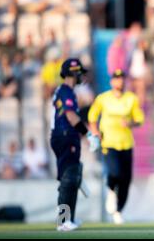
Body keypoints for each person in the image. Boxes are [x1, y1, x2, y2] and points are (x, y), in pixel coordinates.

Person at [88, 69, 144, 224]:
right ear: (112, 81)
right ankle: (111, 190)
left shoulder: (131, 98)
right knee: (115, 172)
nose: (119, 81)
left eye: (121, 79)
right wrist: (95, 132)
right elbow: (92, 116)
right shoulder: (103, 98)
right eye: (116, 79)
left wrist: (130, 122)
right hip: (109, 142)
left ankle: (118, 210)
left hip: (126, 143)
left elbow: (139, 119)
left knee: (126, 180)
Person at [50, 58, 100, 231]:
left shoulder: (68, 91)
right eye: (80, 73)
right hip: (64, 136)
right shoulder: (66, 91)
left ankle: (68, 219)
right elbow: (71, 116)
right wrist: (88, 134)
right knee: (69, 179)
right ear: (73, 72)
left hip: (66, 136)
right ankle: (63, 222)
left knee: (73, 176)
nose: (81, 77)